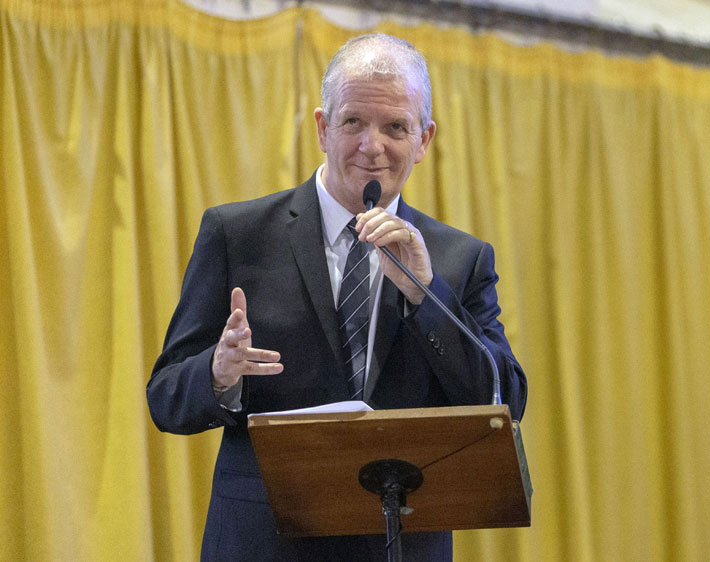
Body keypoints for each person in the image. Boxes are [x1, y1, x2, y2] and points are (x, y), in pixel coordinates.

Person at [146, 33, 527, 562]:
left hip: (401, 544)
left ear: (424, 140)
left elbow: (504, 400)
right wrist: (218, 373)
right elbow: (166, 397)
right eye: (353, 122)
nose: (373, 146)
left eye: (396, 127)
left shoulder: (459, 258)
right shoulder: (238, 234)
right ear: (323, 128)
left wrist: (427, 296)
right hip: (265, 543)